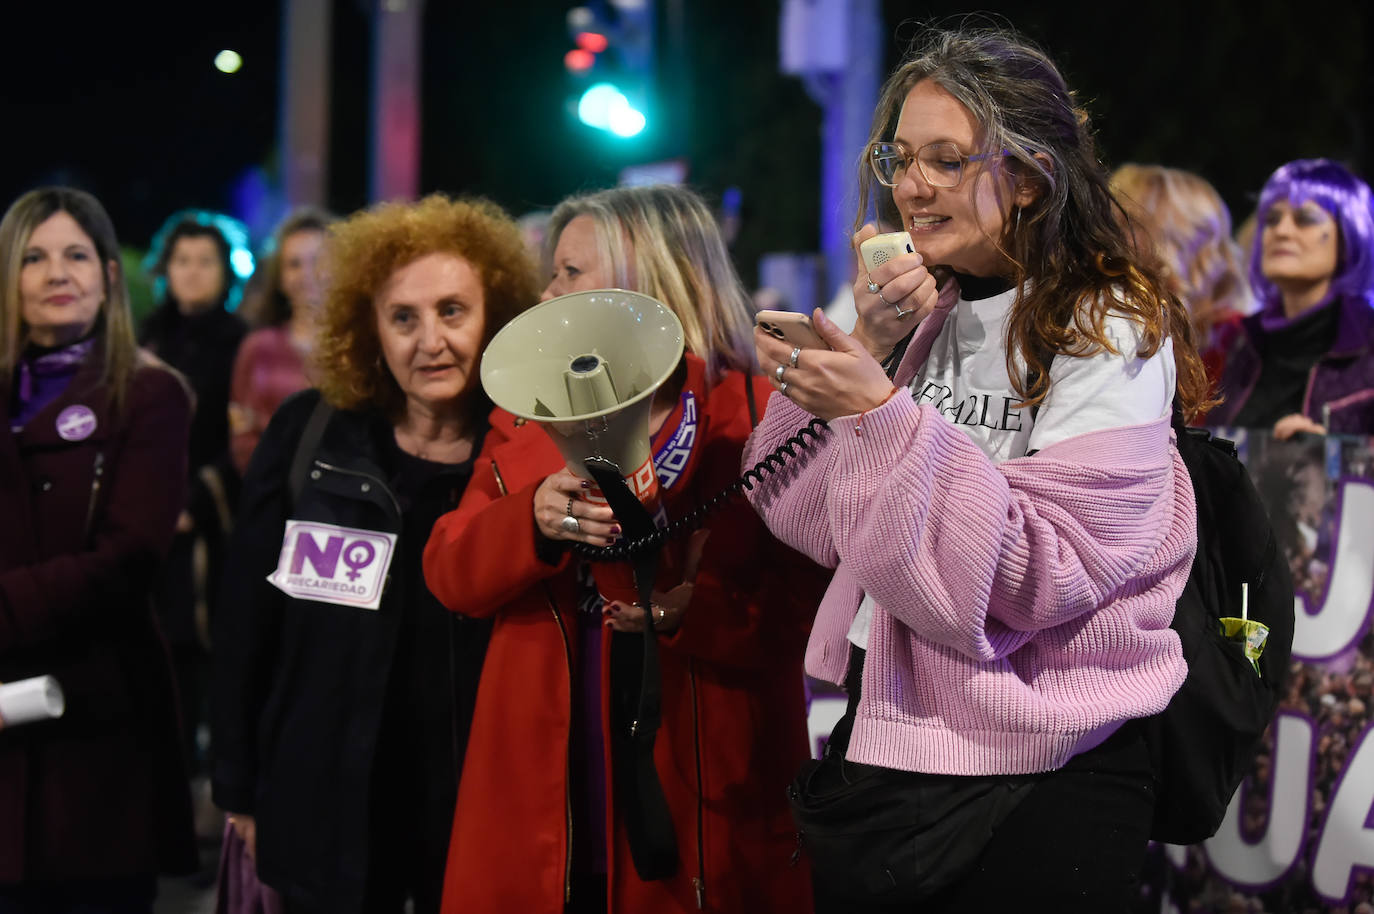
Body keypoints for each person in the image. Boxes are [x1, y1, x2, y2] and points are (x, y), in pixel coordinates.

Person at [744, 26, 1211, 912]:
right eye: (900, 156)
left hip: (1043, 766)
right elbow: (792, 509)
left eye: (948, 160)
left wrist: (883, 418)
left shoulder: (1107, 324)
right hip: (887, 743)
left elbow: (1042, 575)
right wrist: (872, 350)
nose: (911, 186)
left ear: (1030, 177)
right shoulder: (913, 307)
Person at [423, 184, 824, 914]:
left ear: (656, 276)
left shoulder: (759, 416)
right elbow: (449, 571)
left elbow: (806, 611)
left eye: (571, 272)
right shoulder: (524, 417)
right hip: (549, 797)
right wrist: (529, 524)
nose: (550, 291)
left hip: (705, 808)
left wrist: (691, 616)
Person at [211, 194, 539, 914]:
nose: (432, 341)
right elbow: (245, 623)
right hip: (323, 799)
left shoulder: (526, 450)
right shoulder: (310, 434)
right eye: (404, 318)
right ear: (369, 329)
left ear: (497, 315)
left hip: (475, 806)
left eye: (453, 311)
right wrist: (237, 790)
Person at [0, 187, 197, 910]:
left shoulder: (150, 394)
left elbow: (131, 556)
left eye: (77, 254)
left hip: (96, 723)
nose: (58, 273)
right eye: (34, 257)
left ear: (110, 275)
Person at [139, 216, 249, 784]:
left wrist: (194, 504)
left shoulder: (240, 342)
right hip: (140, 523)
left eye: (205, 261)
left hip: (204, 524)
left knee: (197, 658)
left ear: (225, 270)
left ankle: (198, 793)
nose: (192, 272)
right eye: (182, 260)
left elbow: (242, 442)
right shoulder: (145, 336)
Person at [1211, 159, 1374, 437]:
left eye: (1305, 219)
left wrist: (1332, 457)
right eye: (1271, 219)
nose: (1281, 231)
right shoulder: (1244, 340)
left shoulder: (1368, 344)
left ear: (1349, 238)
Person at [1110, 164, 1252, 388]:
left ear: (1183, 239)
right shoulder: (1104, 325)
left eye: (1129, 222)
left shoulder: (1242, 341)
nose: (1109, 236)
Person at [229, 207, 335, 475]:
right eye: (294, 264)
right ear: (280, 277)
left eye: (318, 261)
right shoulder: (258, 347)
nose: (306, 274)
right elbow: (241, 431)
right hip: (271, 494)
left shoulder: (360, 349)